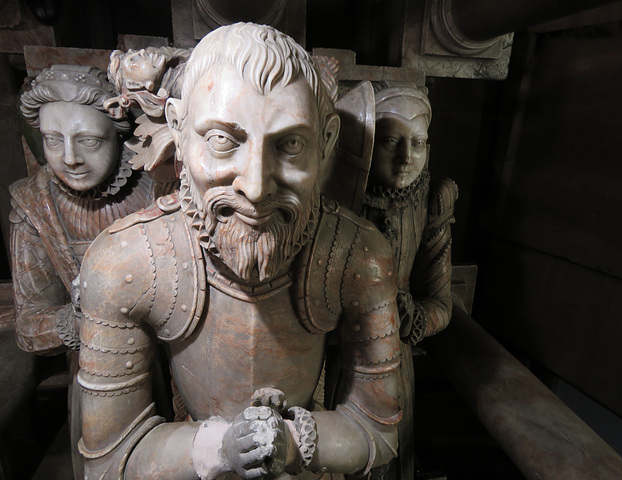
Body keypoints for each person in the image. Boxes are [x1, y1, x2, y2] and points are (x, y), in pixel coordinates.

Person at [77, 23, 401, 480]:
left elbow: (379, 429)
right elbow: (110, 457)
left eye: (290, 145)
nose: (254, 186)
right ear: (178, 131)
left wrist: (292, 443)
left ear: (326, 142)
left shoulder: (357, 255)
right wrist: (218, 449)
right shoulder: (128, 262)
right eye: (222, 141)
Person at [10, 64, 171, 479]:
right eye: (52, 140)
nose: (69, 157)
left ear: (118, 132)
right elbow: (29, 328)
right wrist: (81, 317)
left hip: (172, 361)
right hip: (94, 372)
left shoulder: (159, 184)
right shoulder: (35, 206)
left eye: (88, 140)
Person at [361, 84, 457, 480]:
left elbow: (442, 305)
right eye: (391, 141)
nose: (406, 157)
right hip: (333, 350)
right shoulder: (339, 194)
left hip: (395, 359)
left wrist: (414, 317)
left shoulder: (432, 200)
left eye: (418, 143)